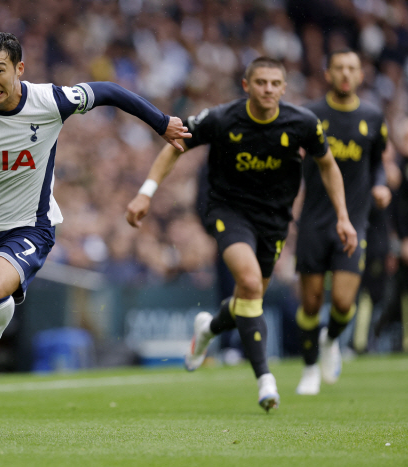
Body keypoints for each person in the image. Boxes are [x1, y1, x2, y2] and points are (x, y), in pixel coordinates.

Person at [0, 31, 190, 435]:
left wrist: (160, 123)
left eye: (0, 70)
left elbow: (109, 91)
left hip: (31, 224)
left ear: (19, 68)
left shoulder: (50, 100)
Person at [125, 56, 357, 412]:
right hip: (228, 212)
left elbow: (328, 165)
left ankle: (208, 327)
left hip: (274, 221)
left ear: (283, 87)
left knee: (249, 299)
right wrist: (146, 191)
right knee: (248, 283)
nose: (268, 89)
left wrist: (343, 216)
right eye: (260, 82)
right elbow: (175, 144)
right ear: (247, 86)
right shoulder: (221, 118)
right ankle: (265, 379)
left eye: (274, 83)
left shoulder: (303, 123)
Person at [294, 50, 390, 395]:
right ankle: (308, 369)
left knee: (344, 303)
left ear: (361, 74)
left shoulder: (373, 116)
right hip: (315, 221)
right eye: (339, 68)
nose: (346, 74)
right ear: (328, 73)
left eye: (352, 67)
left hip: (355, 222)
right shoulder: (311, 115)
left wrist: (380, 183)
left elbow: (378, 160)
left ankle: (331, 340)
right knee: (310, 302)